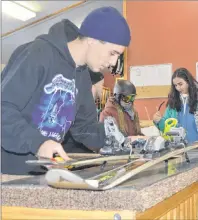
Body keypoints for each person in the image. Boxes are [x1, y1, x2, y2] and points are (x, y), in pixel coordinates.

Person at [1, 7, 131, 174]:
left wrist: (122, 141)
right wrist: (39, 143)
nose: (113, 63)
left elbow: (84, 127)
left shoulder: (83, 75)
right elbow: (3, 109)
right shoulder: (38, 53)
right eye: (112, 53)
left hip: (45, 171)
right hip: (9, 172)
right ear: (92, 39)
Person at [63, 69, 104, 153]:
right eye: (101, 86)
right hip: (72, 152)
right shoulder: (80, 105)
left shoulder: (86, 105)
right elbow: (83, 131)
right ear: (92, 86)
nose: (102, 90)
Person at [153, 67, 198, 144]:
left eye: (180, 84)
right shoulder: (173, 103)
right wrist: (158, 121)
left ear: (188, 82)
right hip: (177, 148)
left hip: (195, 147)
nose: (178, 88)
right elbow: (166, 128)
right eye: (175, 85)